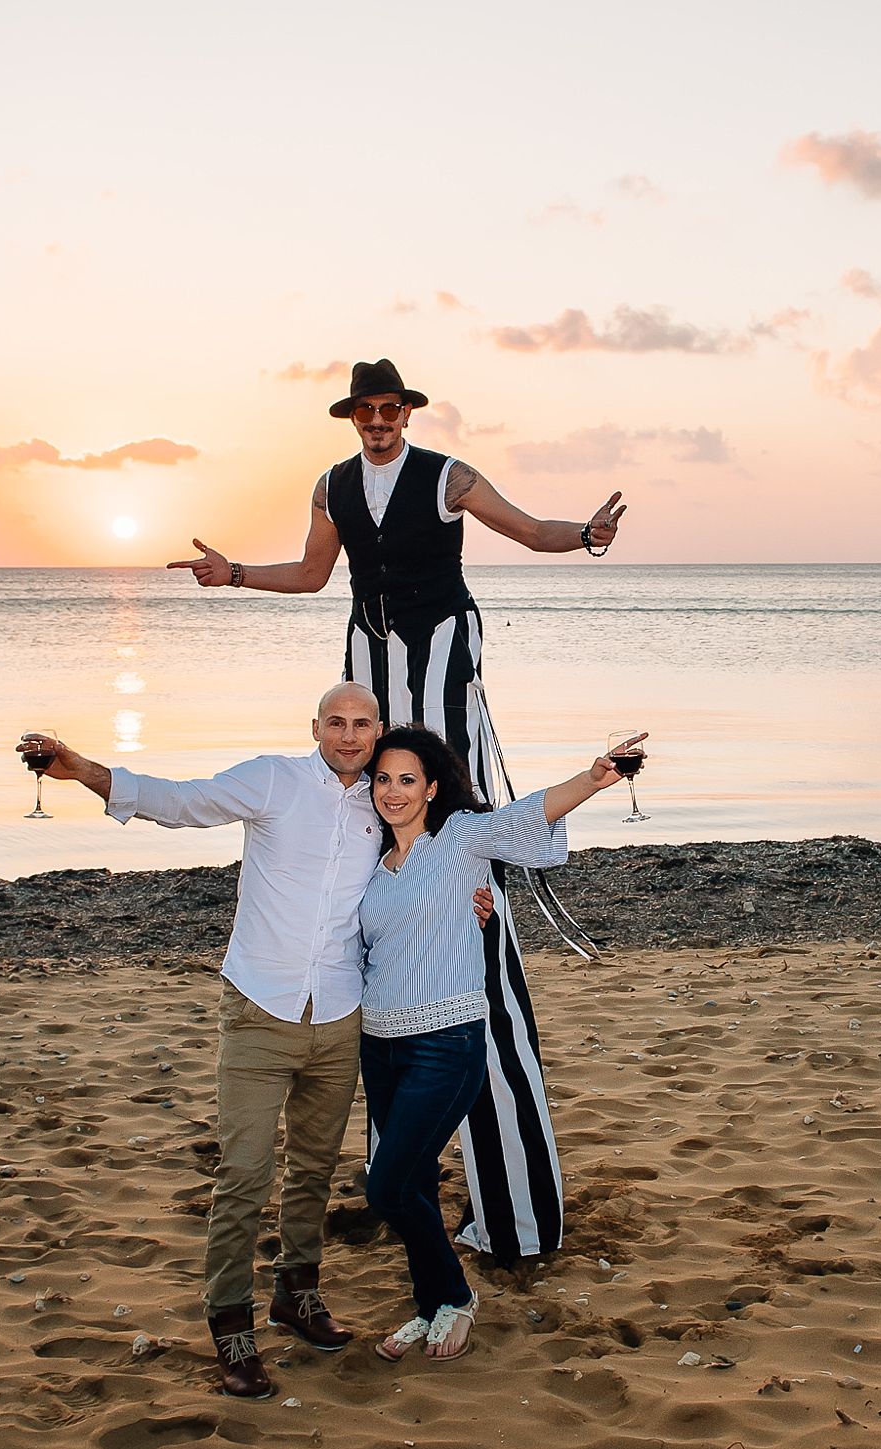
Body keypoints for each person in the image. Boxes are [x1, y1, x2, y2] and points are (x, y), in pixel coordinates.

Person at [166, 358, 626, 1259]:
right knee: (378, 783)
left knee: (442, 784)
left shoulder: (448, 477)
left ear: (407, 413)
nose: (379, 421)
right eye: (365, 411)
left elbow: (529, 530)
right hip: (370, 649)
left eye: (391, 409)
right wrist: (232, 576)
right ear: (351, 418)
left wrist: (588, 533)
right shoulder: (332, 485)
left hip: (443, 642)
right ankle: (399, 1194)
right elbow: (310, 574)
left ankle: (511, 1212)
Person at [13, 684, 490, 1400]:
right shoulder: (273, 779)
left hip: (340, 1018)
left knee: (313, 1171)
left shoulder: (386, 800)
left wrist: (476, 904)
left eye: (363, 724)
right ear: (317, 728)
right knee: (243, 1173)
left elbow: (445, 858)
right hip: (260, 1009)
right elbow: (181, 801)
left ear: (378, 730)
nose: (350, 736)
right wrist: (82, 769)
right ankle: (229, 1322)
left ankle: (297, 1295)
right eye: (337, 722)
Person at [356, 724, 639, 1361]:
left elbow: (525, 813)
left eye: (407, 779)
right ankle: (428, 1304)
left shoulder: (459, 840)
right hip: (381, 1045)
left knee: (386, 1186)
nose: (393, 792)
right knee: (413, 1183)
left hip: (445, 1040)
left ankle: (454, 1297)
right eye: (383, 779)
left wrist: (593, 779)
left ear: (432, 787)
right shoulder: (372, 866)